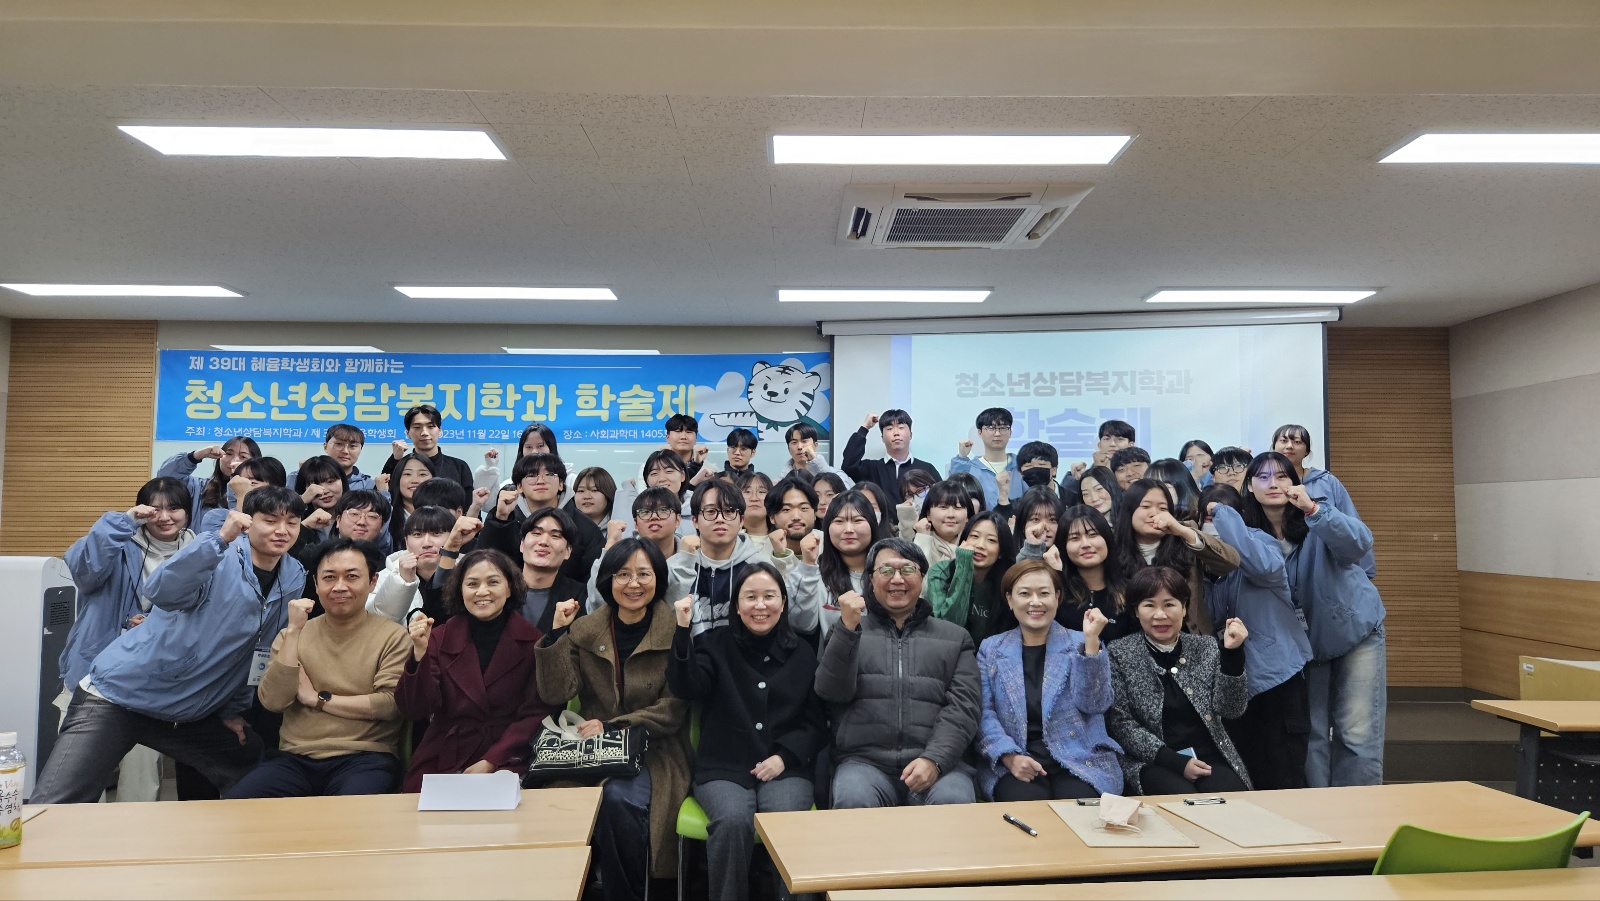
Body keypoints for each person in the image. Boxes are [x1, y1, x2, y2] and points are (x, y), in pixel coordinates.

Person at [31, 487, 307, 803]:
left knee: (253, 765)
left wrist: (231, 711)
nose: (282, 531)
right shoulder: (217, 557)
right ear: (248, 522)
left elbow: (256, 651)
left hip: (183, 712)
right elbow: (161, 591)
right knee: (59, 800)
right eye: (270, 521)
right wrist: (219, 539)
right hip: (120, 695)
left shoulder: (292, 576)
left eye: (292, 522)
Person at [536, 539, 691, 901]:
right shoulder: (585, 630)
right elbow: (556, 693)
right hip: (591, 750)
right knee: (555, 797)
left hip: (654, 751)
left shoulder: (675, 630)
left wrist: (614, 726)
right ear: (608, 580)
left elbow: (673, 708)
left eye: (644, 574)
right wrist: (557, 633)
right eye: (623, 574)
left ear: (658, 578)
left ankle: (625, 893)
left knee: (619, 797)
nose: (633, 584)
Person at [667, 563, 827, 901]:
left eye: (769, 596)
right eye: (750, 597)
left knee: (786, 818)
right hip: (723, 766)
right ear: (736, 606)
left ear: (783, 602)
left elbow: (815, 722)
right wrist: (682, 631)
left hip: (785, 767)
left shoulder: (801, 652)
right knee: (732, 820)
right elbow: (687, 686)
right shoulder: (715, 644)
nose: (760, 605)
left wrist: (785, 757)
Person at [1241, 451, 1385, 788]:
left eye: (1281, 476)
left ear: (1296, 483)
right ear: (1249, 486)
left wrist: (1313, 509)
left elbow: (1359, 544)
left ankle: (1361, 809)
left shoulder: (1317, 515)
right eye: (1263, 477)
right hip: (1304, 645)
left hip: (1355, 630)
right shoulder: (1246, 533)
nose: (1273, 483)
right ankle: (1321, 809)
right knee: (1312, 733)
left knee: (1356, 731)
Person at [225, 539, 410, 798]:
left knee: (350, 812)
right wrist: (293, 632)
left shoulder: (393, 637)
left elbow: (390, 704)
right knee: (237, 803)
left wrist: (316, 699)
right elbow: (274, 702)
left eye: (352, 576)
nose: (339, 586)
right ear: (316, 584)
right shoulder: (293, 635)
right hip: (296, 758)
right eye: (329, 577)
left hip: (365, 757)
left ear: (372, 582)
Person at [56, 477, 195, 803]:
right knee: (76, 772)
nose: (165, 517)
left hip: (151, 676)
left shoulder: (198, 550)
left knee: (141, 775)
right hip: (94, 668)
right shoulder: (116, 541)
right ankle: (75, 832)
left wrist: (157, 624)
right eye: (155, 509)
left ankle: (134, 833)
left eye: (174, 508)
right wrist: (124, 521)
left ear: (188, 512)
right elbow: (85, 573)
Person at [816, 537, 980, 808]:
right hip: (864, 763)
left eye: (907, 569)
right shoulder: (846, 630)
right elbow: (831, 692)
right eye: (886, 570)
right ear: (870, 579)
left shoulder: (955, 638)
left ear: (922, 576)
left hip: (938, 764)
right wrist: (846, 631)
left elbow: (964, 708)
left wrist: (934, 760)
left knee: (954, 800)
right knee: (853, 798)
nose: (897, 579)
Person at [395, 548, 557, 792]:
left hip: (509, 755)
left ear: (509, 588)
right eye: (472, 584)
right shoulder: (438, 637)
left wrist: (492, 760)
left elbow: (534, 714)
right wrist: (419, 654)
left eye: (493, 582)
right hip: (446, 751)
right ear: (460, 590)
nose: (482, 592)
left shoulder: (533, 641)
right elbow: (415, 709)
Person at [976, 559, 1121, 801]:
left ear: (1057, 597)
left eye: (1044, 593)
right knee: (1024, 805)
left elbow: (1094, 705)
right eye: (1025, 593)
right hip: (1017, 758)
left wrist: (1091, 643)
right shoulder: (991, 649)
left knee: (1078, 806)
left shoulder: (1081, 642)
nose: (1036, 602)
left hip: (1079, 756)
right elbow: (984, 713)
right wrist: (1009, 757)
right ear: (1010, 599)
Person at [1199, 483, 1313, 790]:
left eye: (1225, 514)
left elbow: (1261, 566)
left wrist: (1223, 518)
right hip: (1232, 682)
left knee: (1283, 772)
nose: (1215, 523)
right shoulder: (1200, 561)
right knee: (1244, 773)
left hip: (1277, 678)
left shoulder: (1262, 542)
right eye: (1208, 517)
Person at [1106, 566, 1252, 795]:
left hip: (1208, 756)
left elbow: (1231, 710)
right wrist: (1174, 761)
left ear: (1184, 608)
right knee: (1181, 798)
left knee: (1232, 797)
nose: (1160, 615)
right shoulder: (1119, 653)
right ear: (1136, 611)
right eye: (1149, 605)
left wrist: (1232, 655)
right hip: (1153, 760)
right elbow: (1121, 723)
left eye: (1169, 604)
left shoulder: (1206, 647)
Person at [668, 480, 820, 637]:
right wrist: (685, 564)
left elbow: (796, 624)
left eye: (729, 511)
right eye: (711, 511)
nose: (720, 519)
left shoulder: (759, 567)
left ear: (741, 520)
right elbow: (668, 620)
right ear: (695, 521)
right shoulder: (675, 566)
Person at [1113, 479, 1240, 634]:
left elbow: (1230, 562)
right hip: (1129, 637)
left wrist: (1183, 531)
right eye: (1145, 506)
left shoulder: (1185, 535)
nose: (1154, 513)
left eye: (1163, 508)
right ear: (1129, 510)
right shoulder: (1111, 546)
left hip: (1188, 636)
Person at [481, 453, 604, 585]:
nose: (540, 481)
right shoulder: (505, 517)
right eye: (531, 475)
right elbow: (482, 562)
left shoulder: (585, 527)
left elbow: (593, 580)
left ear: (561, 484)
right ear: (519, 486)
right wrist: (500, 519)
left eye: (549, 474)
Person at [1271, 424, 1375, 578]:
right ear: (1274, 447)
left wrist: (1365, 572)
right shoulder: (1264, 484)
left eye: (1297, 442)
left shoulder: (1326, 482)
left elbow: (1351, 523)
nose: (1290, 446)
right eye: (1283, 441)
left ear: (1307, 451)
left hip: (1323, 569)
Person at [925, 510, 1018, 647]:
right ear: (963, 540)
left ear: (1001, 552)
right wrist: (964, 567)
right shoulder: (940, 572)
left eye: (991, 540)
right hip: (948, 653)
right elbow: (949, 628)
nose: (980, 545)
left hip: (991, 657)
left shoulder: (1009, 582)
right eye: (974, 536)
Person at [1050, 505, 1139, 642]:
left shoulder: (1130, 591)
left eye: (1093, 535)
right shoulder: (1056, 594)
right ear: (1063, 546)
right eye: (1075, 538)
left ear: (1107, 538)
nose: (1085, 544)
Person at [799, 489, 877, 637]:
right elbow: (802, 625)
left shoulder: (889, 572)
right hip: (834, 651)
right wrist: (807, 566)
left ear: (872, 525)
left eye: (857, 520)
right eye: (839, 521)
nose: (848, 529)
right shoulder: (816, 573)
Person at [367, 505, 457, 625]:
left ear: (452, 537)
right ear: (406, 542)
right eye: (417, 534)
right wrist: (402, 582)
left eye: (436, 533)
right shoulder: (382, 579)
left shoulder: (468, 572)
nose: (427, 543)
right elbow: (377, 623)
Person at [158, 435, 260, 525]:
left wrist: (240, 481)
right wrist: (196, 456)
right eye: (229, 454)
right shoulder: (200, 487)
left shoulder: (261, 491)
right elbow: (165, 478)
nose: (233, 460)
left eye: (243, 456)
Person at [841, 410, 940, 501]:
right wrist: (865, 428)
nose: (896, 433)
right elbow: (849, 465)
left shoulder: (927, 469)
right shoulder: (872, 469)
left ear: (910, 435)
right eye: (889, 428)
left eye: (901, 427)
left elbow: (940, 498)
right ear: (882, 438)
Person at [381, 404, 475, 493]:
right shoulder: (399, 466)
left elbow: (470, 502)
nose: (424, 433)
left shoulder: (459, 467)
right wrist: (396, 459)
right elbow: (383, 497)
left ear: (440, 431)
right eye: (417, 427)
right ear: (407, 433)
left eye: (430, 427)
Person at [948, 407, 1023, 508]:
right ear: (980, 433)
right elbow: (953, 493)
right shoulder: (971, 468)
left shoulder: (1021, 466)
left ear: (1010, 432)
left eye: (1003, 428)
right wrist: (962, 457)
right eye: (991, 428)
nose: (997, 433)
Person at [196, 456, 287, 533]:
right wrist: (242, 498)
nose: (243, 487)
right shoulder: (217, 517)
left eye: (253, 483)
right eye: (240, 483)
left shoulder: (287, 518)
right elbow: (236, 545)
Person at [474, 423, 560, 490]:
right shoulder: (511, 484)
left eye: (540, 446)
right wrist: (490, 467)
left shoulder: (565, 479)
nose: (534, 452)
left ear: (551, 447)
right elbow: (489, 503)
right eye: (529, 447)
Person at [1063, 419, 1135, 494]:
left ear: (1131, 445)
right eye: (1107, 439)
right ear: (1099, 445)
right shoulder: (1085, 474)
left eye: (1119, 439)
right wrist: (1077, 479)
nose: (1112, 444)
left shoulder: (1137, 472)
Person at [912, 480, 972, 567]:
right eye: (943, 507)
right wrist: (922, 538)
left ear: (967, 516)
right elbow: (918, 572)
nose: (951, 514)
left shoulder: (975, 544)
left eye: (958, 507)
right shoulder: (918, 542)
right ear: (928, 514)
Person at [765, 476, 819, 570]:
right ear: (772, 517)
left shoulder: (828, 544)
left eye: (804, 508)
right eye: (786, 509)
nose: (796, 517)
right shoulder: (762, 553)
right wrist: (780, 555)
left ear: (815, 514)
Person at [386, 452, 438, 550]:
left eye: (422, 474)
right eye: (407, 474)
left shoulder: (442, 514)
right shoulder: (387, 515)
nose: (415, 480)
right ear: (397, 478)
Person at [783, 422, 853, 487]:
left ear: (815, 445)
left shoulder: (838, 475)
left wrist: (814, 459)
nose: (799, 447)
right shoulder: (783, 481)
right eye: (794, 442)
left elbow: (843, 495)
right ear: (789, 449)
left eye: (804, 441)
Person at [1011, 487, 1065, 560]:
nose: (1045, 527)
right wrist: (1033, 550)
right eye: (1036, 519)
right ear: (1023, 525)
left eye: (1052, 519)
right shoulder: (1011, 561)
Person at [1145, 457, 1203, 522]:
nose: (1156, 492)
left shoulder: (1200, 519)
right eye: (1150, 487)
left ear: (1182, 487)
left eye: (1165, 486)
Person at [323, 424, 375, 491]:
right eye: (339, 444)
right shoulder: (311, 478)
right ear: (325, 447)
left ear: (360, 450)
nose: (345, 451)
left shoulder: (369, 486)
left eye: (352, 446)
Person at [665, 412, 710, 482]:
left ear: (696, 439)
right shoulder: (656, 467)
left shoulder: (708, 470)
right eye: (678, 431)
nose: (683, 437)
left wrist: (697, 464)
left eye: (689, 432)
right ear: (667, 437)